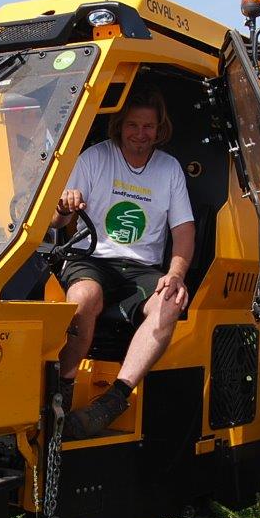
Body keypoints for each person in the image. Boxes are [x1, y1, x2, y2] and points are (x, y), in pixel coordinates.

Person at [51, 89, 195, 439]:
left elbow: (184, 230)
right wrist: (64, 206)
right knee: (83, 297)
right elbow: (54, 222)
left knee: (170, 303)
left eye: (149, 126)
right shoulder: (94, 159)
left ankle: (115, 399)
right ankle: (61, 394)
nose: (140, 134)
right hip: (92, 258)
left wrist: (175, 275)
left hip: (141, 268)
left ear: (159, 129)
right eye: (133, 125)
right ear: (119, 125)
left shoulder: (168, 169)